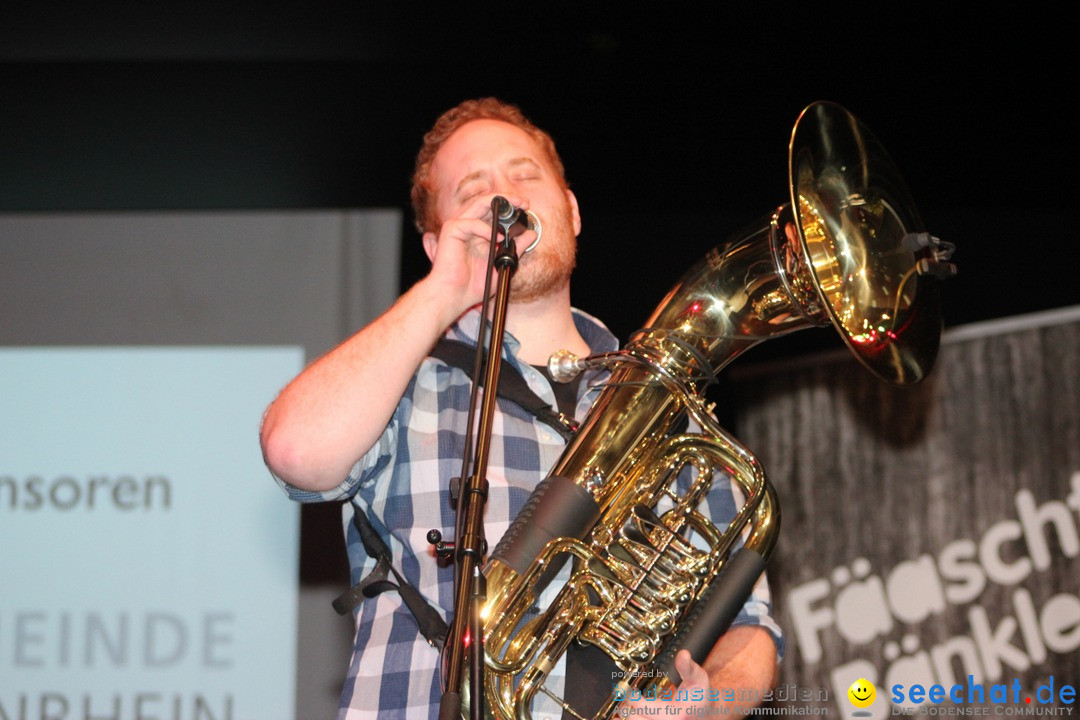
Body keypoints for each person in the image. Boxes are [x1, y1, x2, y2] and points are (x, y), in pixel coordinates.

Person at [260, 97, 782, 719]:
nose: (502, 198)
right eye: (472, 189)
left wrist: (711, 703)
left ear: (573, 210)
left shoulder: (670, 411)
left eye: (524, 175)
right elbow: (296, 452)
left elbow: (750, 627)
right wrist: (445, 289)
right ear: (434, 243)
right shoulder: (401, 380)